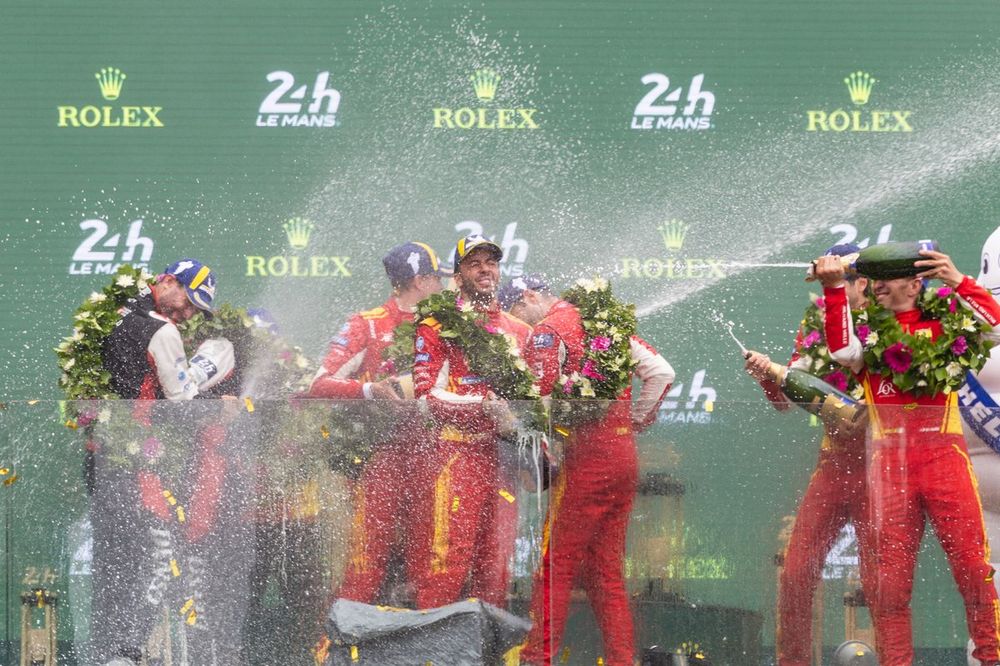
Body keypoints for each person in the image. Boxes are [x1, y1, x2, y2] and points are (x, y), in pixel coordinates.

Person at [815, 247, 1000, 666]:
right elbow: (843, 353)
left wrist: (957, 279)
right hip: (890, 465)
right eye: (875, 276)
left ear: (916, 283)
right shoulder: (866, 330)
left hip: (944, 459)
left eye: (891, 276)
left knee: (973, 571)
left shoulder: (949, 323)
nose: (878, 283)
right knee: (889, 585)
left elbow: (996, 328)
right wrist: (832, 289)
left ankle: (991, 659)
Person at [499, 275, 675, 666]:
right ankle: (621, 660)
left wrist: (527, 436)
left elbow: (538, 400)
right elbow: (662, 373)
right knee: (606, 571)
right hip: (623, 456)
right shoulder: (604, 321)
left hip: (586, 461)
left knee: (555, 565)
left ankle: (536, 659)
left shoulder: (548, 332)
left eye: (517, 313)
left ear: (528, 298)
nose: (523, 327)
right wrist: (632, 422)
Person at [91, 259, 234, 665]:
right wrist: (218, 407)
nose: (188, 313)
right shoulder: (162, 330)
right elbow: (180, 405)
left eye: (195, 309)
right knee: (159, 557)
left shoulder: (116, 311)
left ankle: (111, 652)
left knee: (117, 559)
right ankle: (127, 653)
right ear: (168, 281)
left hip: (103, 453)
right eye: (189, 301)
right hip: (142, 459)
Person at [744, 244, 877, 666]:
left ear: (861, 282)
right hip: (834, 464)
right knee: (797, 572)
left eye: (833, 280)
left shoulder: (888, 320)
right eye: (822, 282)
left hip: (883, 467)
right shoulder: (816, 319)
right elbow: (787, 397)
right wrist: (769, 376)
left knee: (881, 583)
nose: (825, 289)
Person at [308, 241, 445, 604]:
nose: (442, 286)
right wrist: (371, 391)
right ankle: (336, 656)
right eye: (436, 278)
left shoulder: (450, 325)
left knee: (429, 570)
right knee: (364, 565)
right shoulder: (367, 324)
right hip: (378, 461)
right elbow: (319, 384)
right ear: (419, 281)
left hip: (437, 458)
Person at [410, 234, 533, 609]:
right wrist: (481, 406)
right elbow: (424, 396)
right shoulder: (437, 324)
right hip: (456, 455)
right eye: (474, 263)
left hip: (506, 461)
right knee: (448, 561)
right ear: (459, 275)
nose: (485, 269)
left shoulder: (520, 331)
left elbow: (533, 404)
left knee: (496, 568)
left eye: (491, 262)